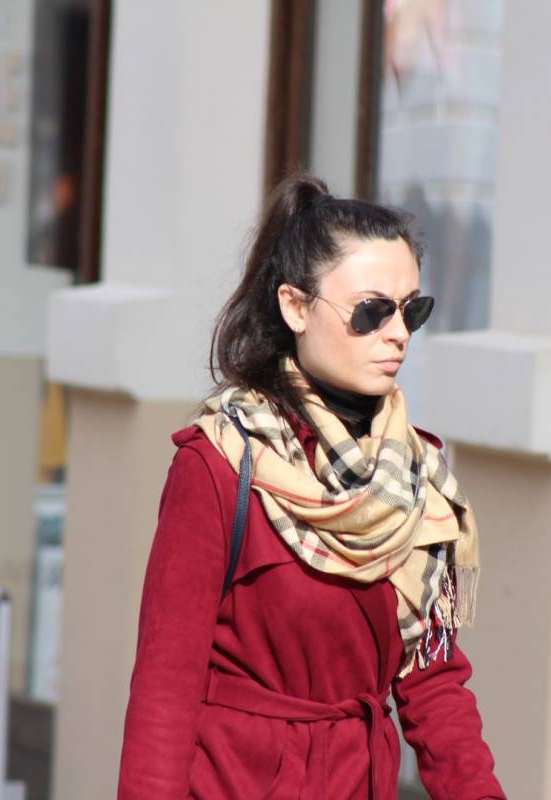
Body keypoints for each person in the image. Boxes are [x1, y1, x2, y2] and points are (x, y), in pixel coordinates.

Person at [117, 175, 504, 799]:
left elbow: (433, 681)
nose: (398, 333)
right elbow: (166, 687)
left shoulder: (418, 476)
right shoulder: (221, 463)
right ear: (295, 307)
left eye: (412, 310)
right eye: (371, 311)